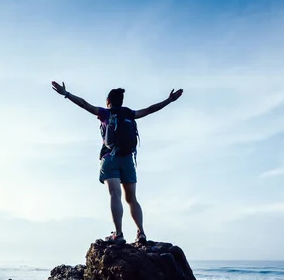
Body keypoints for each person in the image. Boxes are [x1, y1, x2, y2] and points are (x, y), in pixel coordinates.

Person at [51, 81, 184, 245]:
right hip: (127, 158)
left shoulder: (105, 114)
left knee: (115, 195)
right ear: (121, 101)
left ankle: (119, 234)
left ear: (108, 101)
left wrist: (66, 94)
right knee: (132, 198)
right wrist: (169, 100)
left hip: (110, 158)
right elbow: (150, 110)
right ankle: (141, 233)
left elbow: (84, 104)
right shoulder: (129, 114)